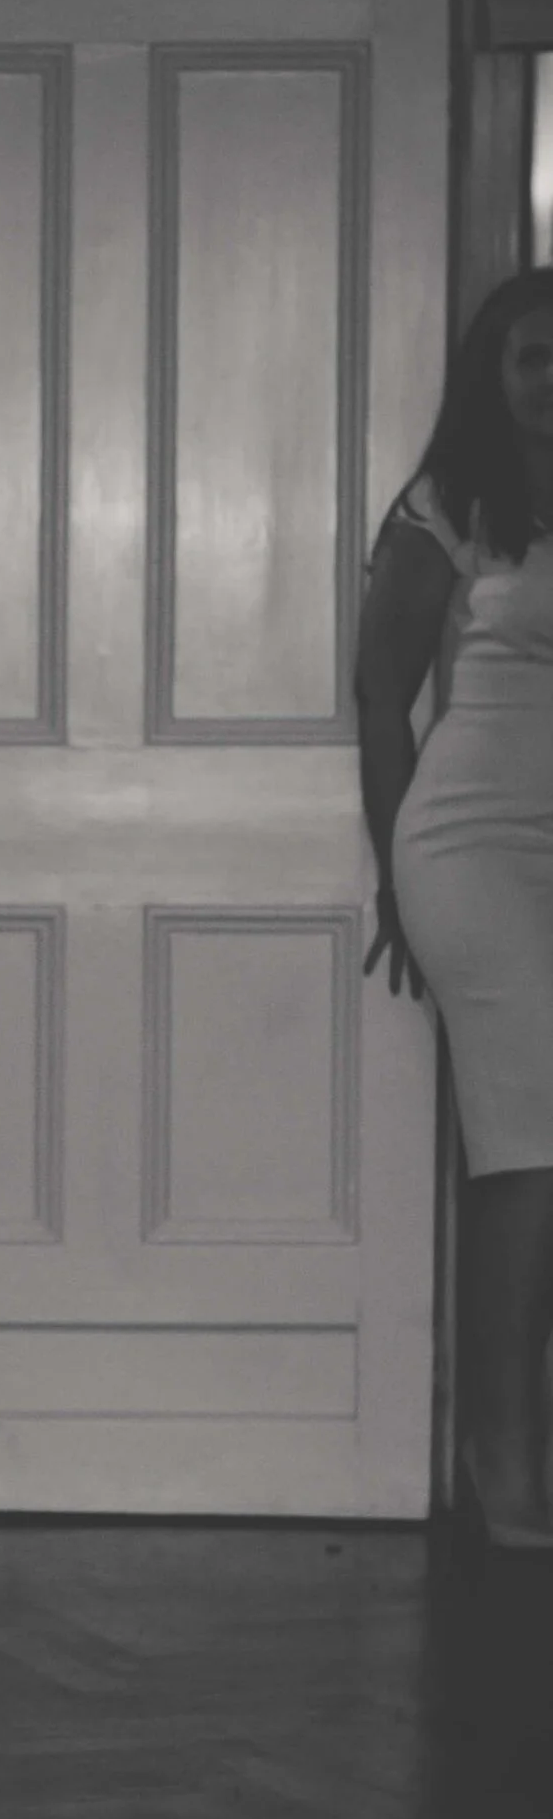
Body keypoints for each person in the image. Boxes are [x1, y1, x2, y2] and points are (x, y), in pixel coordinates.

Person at [357, 267, 553, 1551]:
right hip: (471, 844)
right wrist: (391, 871)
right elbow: (379, 697)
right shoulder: (446, 507)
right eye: (535, 356)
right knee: (528, 1144)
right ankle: (500, 1449)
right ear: (494, 368)